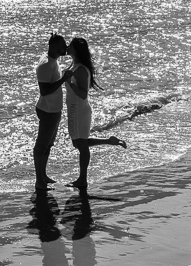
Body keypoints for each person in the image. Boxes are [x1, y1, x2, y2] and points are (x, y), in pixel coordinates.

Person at [64, 37, 125, 189]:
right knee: (78, 143)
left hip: (80, 109)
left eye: (70, 45)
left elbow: (83, 94)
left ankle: (82, 180)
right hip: (74, 108)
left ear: (76, 50)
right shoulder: (75, 65)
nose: (67, 47)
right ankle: (109, 141)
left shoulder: (80, 70)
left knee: (81, 145)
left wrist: (70, 83)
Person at [33, 33, 70, 190]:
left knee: (48, 145)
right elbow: (45, 91)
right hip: (47, 110)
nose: (66, 48)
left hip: (54, 109)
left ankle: (43, 175)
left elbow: (53, 82)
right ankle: (39, 180)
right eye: (63, 46)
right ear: (54, 48)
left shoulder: (53, 61)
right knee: (41, 146)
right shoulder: (45, 65)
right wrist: (63, 80)